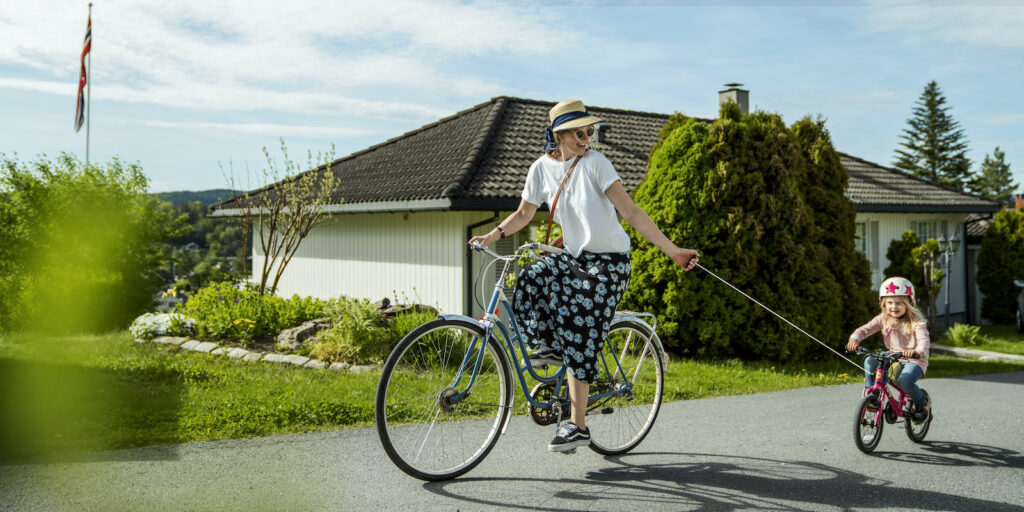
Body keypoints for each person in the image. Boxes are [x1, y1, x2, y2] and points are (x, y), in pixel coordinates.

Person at [468, 99, 700, 452]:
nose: (587, 137)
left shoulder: (596, 164)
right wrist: (491, 236)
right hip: (577, 259)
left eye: (590, 130)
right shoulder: (540, 170)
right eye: (580, 131)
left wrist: (674, 251)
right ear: (559, 134)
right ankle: (550, 347)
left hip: (610, 264)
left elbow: (633, 213)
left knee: (578, 322)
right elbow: (522, 214)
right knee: (532, 275)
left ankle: (577, 426)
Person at [845, 277, 931, 421]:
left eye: (899, 303)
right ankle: (874, 394)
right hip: (893, 356)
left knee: (904, 381)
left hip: (914, 360)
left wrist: (918, 350)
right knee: (870, 361)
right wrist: (854, 339)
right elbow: (866, 329)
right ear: (883, 304)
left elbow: (924, 339)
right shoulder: (883, 318)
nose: (894, 307)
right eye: (889, 303)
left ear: (909, 303)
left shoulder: (915, 320)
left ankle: (923, 402)